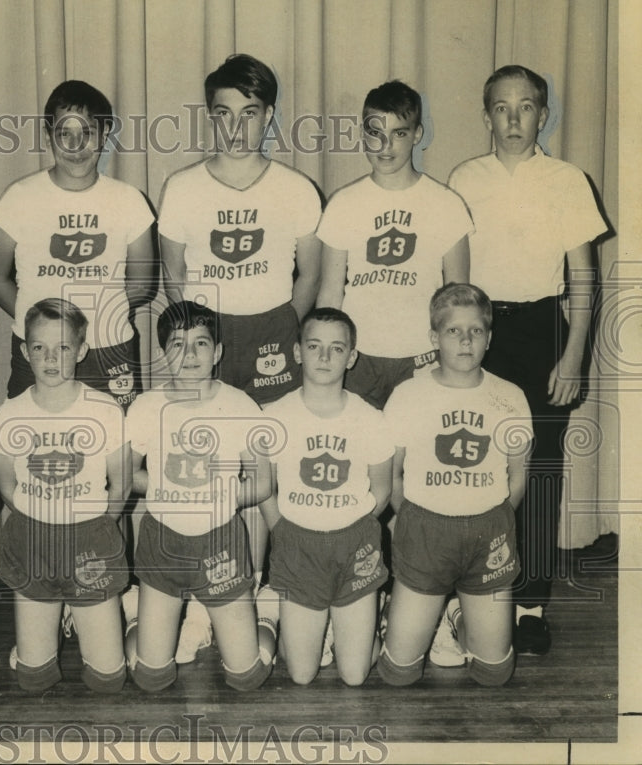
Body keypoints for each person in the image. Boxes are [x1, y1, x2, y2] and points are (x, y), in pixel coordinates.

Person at [157, 53, 323, 655]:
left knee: (267, 471)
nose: (236, 127)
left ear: (268, 117)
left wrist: (285, 327)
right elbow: (172, 277)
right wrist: (192, 338)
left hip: (272, 332)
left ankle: (277, 593)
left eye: (249, 113)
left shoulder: (296, 188)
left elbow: (309, 274)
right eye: (223, 114)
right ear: (209, 118)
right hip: (208, 336)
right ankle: (211, 599)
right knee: (209, 465)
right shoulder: (181, 186)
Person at [447, 65, 607, 655]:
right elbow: (454, 273)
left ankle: (531, 602)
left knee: (538, 471)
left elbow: (584, 275)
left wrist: (574, 356)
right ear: (486, 113)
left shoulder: (567, 179)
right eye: (501, 107)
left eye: (526, 107)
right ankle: (472, 595)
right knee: (475, 465)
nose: (513, 120)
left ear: (543, 114)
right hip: (480, 329)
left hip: (544, 330)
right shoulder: (464, 177)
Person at [377, 283, 532, 687]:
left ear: (489, 338)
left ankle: (458, 613)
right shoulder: (409, 394)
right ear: (434, 337)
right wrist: (402, 524)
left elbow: (518, 477)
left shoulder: (510, 396)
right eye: (453, 331)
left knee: (495, 674)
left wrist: (492, 522)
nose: (465, 340)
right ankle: (422, 613)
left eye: (476, 331)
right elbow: (393, 475)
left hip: (487, 534)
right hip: (425, 530)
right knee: (397, 674)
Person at [122, 300, 272, 692]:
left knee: (247, 678)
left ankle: (267, 614)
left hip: (220, 540)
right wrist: (162, 489)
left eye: (201, 344)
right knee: (149, 677)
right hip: (163, 542)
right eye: (177, 344)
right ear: (161, 354)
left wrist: (219, 495)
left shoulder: (239, 405)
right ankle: (138, 615)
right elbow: (124, 474)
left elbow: (261, 483)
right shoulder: (146, 406)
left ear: (218, 352)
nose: (189, 355)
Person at [0, 298, 132, 693]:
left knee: (109, 681)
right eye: (39, 348)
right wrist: (45, 517)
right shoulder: (9, 414)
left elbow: (119, 485)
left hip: (89, 540)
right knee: (32, 680)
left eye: (63, 348)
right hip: (34, 539)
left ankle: (79, 609)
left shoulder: (104, 410)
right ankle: (46, 621)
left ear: (82, 351)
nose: (51, 358)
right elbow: (7, 487)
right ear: (25, 351)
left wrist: (98, 526)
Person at [0, 80, 156, 407]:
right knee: (33, 442)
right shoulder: (19, 198)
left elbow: (142, 283)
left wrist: (99, 318)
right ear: (48, 135)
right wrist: (38, 323)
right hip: (40, 350)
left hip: (109, 347)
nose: (77, 145)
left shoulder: (129, 200)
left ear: (104, 135)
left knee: (116, 445)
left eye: (88, 133)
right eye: (66, 133)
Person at [255, 308, 392, 686]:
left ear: (351, 357)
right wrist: (280, 528)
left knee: (354, 676)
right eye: (314, 346)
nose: (325, 357)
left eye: (336, 348)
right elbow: (264, 485)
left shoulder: (370, 418)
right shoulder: (275, 415)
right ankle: (277, 614)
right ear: (297, 352)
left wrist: (357, 526)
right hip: (298, 542)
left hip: (353, 544)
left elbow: (382, 488)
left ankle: (366, 617)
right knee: (301, 674)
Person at [316, 80, 472, 409]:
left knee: (414, 458)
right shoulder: (343, 203)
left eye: (399, 133)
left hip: (421, 355)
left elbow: (458, 296)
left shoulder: (446, 204)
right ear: (362, 134)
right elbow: (330, 293)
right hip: (360, 357)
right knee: (361, 457)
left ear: (417, 134)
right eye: (375, 132)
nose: (385, 145)